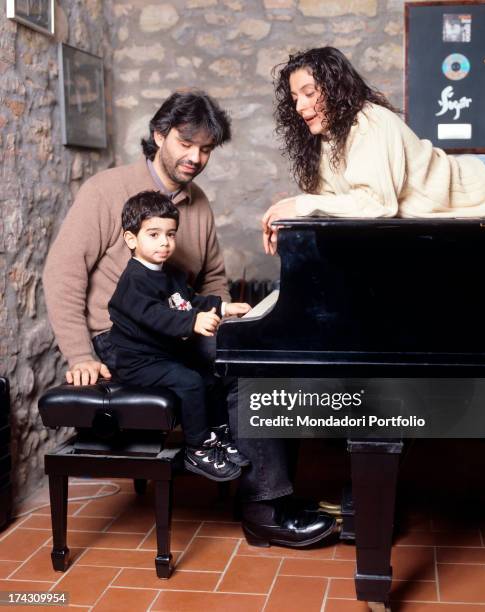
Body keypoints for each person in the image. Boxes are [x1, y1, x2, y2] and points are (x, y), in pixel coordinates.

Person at [43, 90, 337, 548]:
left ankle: (269, 495)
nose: (196, 157)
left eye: (206, 149)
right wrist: (80, 354)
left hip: (175, 329)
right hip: (120, 340)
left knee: (259, 359)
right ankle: (265, 510)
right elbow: (62, 273)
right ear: (159, 135)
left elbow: (214, 281)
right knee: (244, 371)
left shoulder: (197, 204)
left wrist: (222, 319)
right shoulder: (106, 191)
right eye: (186, 143)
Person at [262, 46, 485, 254]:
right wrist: (288, 226)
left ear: (334, 89)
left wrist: (300, 206)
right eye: (295, 98)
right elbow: (336, 205)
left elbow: (376, 204)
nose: (300, 107)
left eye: (309, 94)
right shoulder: (324, 140)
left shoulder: (370, 121)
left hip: (479, 186)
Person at [108, 190, 251, 481]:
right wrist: (191, 323)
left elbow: (189, 301)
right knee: (190, 381)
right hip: (139, 362)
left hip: (164, 353)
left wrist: (223, 307)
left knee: (213, 374)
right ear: (131, 239)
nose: (164, 242)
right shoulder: (133, 281)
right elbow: (156, 316)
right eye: (154, 234)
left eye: (170, 234)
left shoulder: (170, 272)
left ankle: (218, 435)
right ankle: (196, 449)